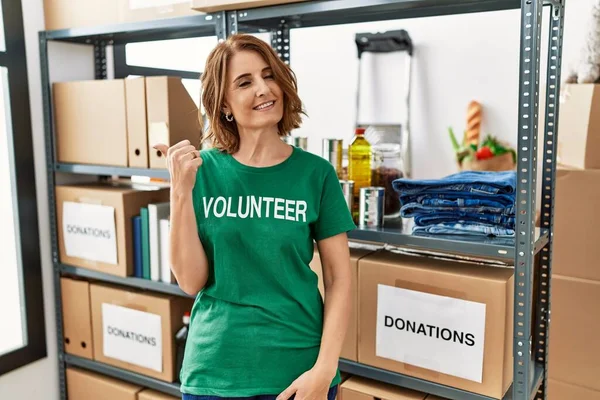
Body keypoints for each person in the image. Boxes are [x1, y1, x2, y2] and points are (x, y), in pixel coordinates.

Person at [153, 33, 355, 400]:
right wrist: (180, 191)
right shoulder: (203, 171)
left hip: (298, 374)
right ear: (225, 105)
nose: (264, 89)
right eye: (245, 83)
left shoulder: (316, 174)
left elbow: (340, 279)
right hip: (214, 373)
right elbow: (191, 281)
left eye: (269, 75)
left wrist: (324, 370)